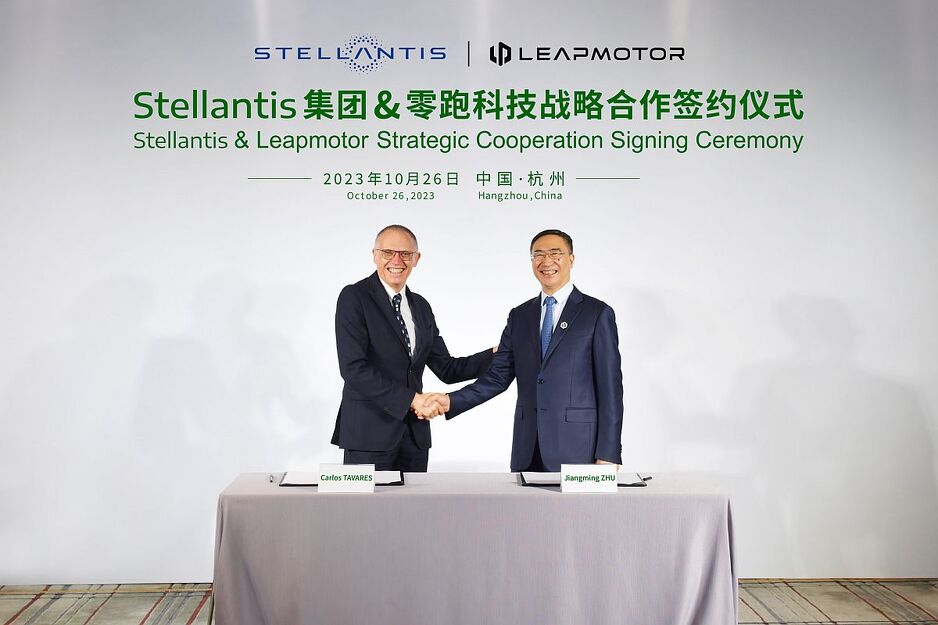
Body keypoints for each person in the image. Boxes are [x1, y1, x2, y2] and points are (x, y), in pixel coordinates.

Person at [420, 229, 623, 471]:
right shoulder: (520, 316)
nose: (546, 261)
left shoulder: (596, 313)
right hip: (528, 448)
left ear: (571, 259)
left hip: (579, 448)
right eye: (538, 254)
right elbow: (497, 378)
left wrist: (608, 453)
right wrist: (449, 401)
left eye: (555, 253)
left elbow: (610, 390)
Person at [331, 224, 494, 471]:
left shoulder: (421, 306)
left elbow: (447, 368)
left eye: (405, 254)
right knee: (369, 500)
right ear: (375, 255)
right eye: (388, 252)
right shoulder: (355, 297)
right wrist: (412, 399)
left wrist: (498, 353)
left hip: (414, 437)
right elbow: (353, 369)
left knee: (415, 499)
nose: (397, 260)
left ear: (416, 259)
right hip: (368, 434)